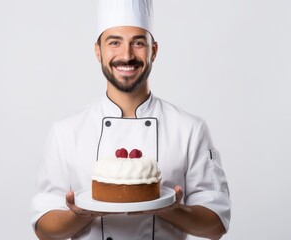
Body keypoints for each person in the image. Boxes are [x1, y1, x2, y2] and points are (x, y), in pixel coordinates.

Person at [31, 0, 231, 239]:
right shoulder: (65, 132)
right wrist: (81, 214)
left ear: (153, 51)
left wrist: (171, 210)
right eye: (114, 42)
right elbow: (44, 230)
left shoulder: (190, 129)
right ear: (98, 51)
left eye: (138, 42)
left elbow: (216, 225)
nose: (126, 55)